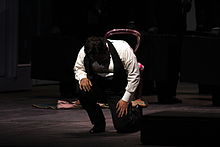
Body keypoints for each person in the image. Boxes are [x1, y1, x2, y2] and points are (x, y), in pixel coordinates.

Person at [74, 36, 142, 134]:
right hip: (98, 85)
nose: (100, 63)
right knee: (83, 91)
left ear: (106, 50)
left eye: (101, 59)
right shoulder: (85, 51)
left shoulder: (123, 49)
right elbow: (79, 68)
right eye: (96, 59)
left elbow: (134, 76)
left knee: (122, 127)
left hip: (117, 88)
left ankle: (136, 112)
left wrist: (125, 99)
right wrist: (82, 78)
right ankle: (98, 123)